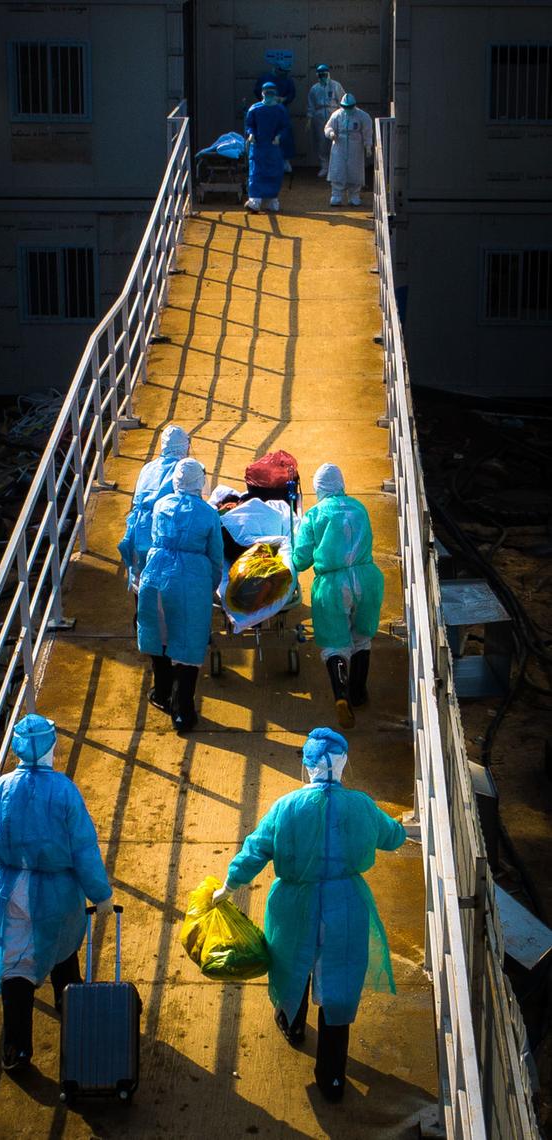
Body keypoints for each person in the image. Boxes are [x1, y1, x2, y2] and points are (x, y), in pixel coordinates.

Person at [212, 727, 406, 1102]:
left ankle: (293, 1023)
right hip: (346, 903)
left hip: (294, 904)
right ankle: (332, 1078)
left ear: (307, 765)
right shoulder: (362, 805)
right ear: (343, 764)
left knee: (292, 964)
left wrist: (230, 884)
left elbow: (255, 849)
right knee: (341, 982)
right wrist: (405, 829)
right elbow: (391, 836)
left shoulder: (286, 807)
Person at [0, 713, 113, 1074]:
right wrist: (101, 894)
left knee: (16, 966)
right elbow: (83, 848)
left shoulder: (1, 787)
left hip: (10, 890)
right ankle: (77, 1027)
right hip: (57, 891)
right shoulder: (64, 790)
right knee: (64, 953)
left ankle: (16, 1051)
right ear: (51, 747)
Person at [291, 463, 384, 729]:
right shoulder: (359, 508)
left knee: (335, 643)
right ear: (341, 484)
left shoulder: (314, 515)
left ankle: (341, 695)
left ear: (318, 488)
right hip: (366, 577)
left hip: (333, 584)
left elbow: (301, 559)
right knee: (362, 638)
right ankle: (358, 692)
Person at [137, 457, 223, 732]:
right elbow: (216, 556)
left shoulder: (162, 505)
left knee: (159, 637)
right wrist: (209, 585)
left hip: (156, 572)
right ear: (200, 482)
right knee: (188, 643)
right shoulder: (208, 514)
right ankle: (182, 711)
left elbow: (152, 538)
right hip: (191, 579)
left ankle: (161, 693)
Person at [118, 424, 190, 592]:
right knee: (165, 585)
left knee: (141, 582)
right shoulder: (182, 470)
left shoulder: (147, 468)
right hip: (164, 533)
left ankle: (140, 614)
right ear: (185, 446)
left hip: (138, 530)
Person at [244, 82, 291, 214]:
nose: (269, 95)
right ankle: (255, 201)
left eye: (271, 93)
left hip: (273, 147)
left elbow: (285, 127)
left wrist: (279, 136)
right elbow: (250, 125)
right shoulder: (255, 109)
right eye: (267, 92)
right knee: (256, 172)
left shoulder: (280, 110)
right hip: (258, 146)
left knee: (274, 173)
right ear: (262, 93)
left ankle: (272, 201)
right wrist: (251, 134)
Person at [324, 93, 373, 206]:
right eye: (345, 107)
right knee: (338, 169)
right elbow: (328, 127)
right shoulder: (336, 115)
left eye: (349, 107)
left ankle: (354, 195)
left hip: (355, 146)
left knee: (354, 171)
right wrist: (331, 133)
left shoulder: (362, 116)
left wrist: (368, 146)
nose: (347, 109)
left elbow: (367, 132)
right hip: (339, 145)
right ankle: (336, 195)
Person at [253, 61, 296, 172]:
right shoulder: (265, 78)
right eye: (283, 72)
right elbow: (257, 91)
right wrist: (268, 100)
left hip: (281, 109)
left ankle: (285, 161)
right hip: (266, 110)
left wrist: (284, 99)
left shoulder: (288, 80)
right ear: (277, 69)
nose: (285, 74)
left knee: (285, 134)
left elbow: (292, 93)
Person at [306, 64, 345, 178]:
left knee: (334, 140)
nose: (323, 76)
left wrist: (342, 116)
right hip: (319, 115)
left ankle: (335, 167)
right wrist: (309, 119)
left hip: (333, 113)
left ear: (328, 74)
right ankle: (325, 166)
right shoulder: (314, 88)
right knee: (322, 141)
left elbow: (342, 100)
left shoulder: (335, 85)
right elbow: (311, 105)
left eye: (325, 74)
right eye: (320, 74)